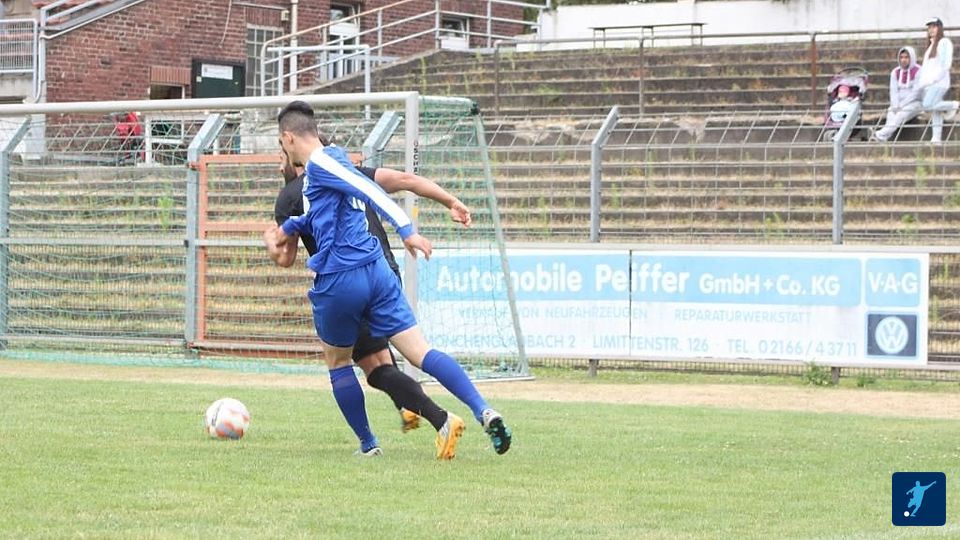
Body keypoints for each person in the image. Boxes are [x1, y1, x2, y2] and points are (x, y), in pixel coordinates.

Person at [264, 100, 512, 457]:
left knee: (339, 362)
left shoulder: (319, 164)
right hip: (377, 270)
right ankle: (483, 409)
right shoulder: (336, 157)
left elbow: (370, 192)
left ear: (288, 138)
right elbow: (319, 213)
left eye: (280, 143)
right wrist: (288, 227)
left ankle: (369, 444)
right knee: (420, 352)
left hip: (339, 278)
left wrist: (407, 230)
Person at [917, 17, 959, 143]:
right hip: (930, 84)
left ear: (940, 28)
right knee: (936, 110)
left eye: (934, 26)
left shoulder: (944, 42)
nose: (931, 29)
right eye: (929, 27)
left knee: (927, 105)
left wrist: (933, 80)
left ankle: (954, 105)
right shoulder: (931, 45)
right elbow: (927, 68)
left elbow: (945, 65)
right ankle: (936, 138)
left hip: (939, 83)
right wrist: (923, 83)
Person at [872, 46, 922, 141]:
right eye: (901, 57)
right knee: (891, 113)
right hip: (898, 104)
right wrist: (895, 105)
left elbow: (916, 92)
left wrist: (902, 105)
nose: (903, 60)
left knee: (900, 115)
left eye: (906, 57)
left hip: (915, 103)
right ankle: (883, 137)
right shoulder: (895, 72)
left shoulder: (918, 70)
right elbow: (893, 91)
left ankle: (879, 133)